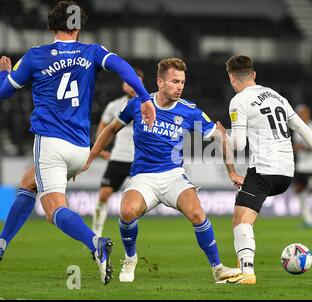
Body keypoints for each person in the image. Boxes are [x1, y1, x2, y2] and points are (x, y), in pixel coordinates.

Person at [0, 1, 156, 284]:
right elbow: (122, 66)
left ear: (51, 25)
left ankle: (94, 243)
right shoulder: (92, 52)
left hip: (50, 144)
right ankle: (1, 243)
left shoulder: (36, 56)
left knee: (53, 209)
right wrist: (145, 97)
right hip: (80, 149)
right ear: (78, 27)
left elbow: (3, 92)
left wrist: (2, 72)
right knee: (28, 182)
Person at [80, 58, 243, 283]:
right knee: (127, 212)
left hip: (173, 176)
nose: (180, 87)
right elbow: (110, 129)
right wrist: (91, 155)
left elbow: (221, 137)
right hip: (143, 177)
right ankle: (130, 259)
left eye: (183, 82)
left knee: (197, 213)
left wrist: (232, 172)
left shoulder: (190, 111)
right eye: (175, 81)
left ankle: (218, 269)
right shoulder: (137, 104)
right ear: (160, 82)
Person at [218, 55, 312, 284]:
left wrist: (222, 136)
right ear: (254, 74)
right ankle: (243, 268)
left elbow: (238, 145)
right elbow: (302, 127)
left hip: (263, 170)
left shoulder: (239, 101)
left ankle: (247, 273)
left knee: (241, 221)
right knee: (247, 216)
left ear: (231, 78)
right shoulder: (276, 96)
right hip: (286, 172)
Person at [92, 69, 144, 237]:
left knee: (139, 200)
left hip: (139, 159)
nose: (132, 85)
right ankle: (96, 232)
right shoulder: (114, 106)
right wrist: (101, 150)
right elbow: (103, 128)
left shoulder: (148, 104)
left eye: (136, 82)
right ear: (123, 84)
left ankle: (132, 232)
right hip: (118, 157)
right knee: (104, 194)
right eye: (128, 81)